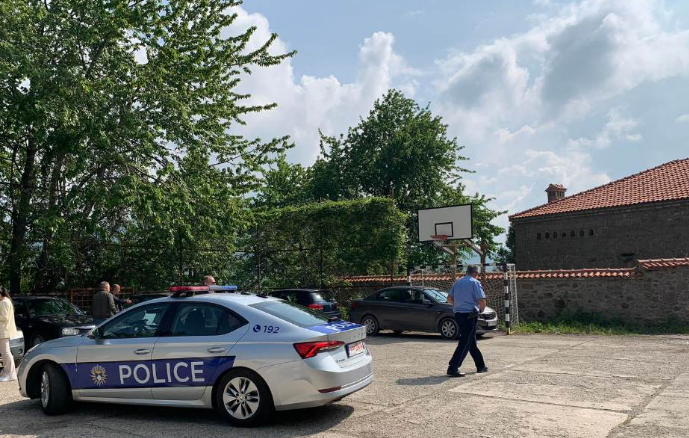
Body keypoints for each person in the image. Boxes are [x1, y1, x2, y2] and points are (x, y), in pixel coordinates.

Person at [446, 265, 489, 377]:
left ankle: (480, 365)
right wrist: (481, 310)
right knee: (465, 341)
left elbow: (449, 298)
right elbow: (481, 300)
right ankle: (453, 367)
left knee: (470, 340)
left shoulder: (457, 282)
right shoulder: (475, 282)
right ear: (476, 273)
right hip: (470, 315)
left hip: (458, 314)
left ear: (467, 272)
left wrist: (458, 305)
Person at [0, 287, 18, 382]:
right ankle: (9, 372)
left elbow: (4, 317)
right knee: (5, 352)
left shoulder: (4, 302)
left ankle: (10, 374)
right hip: (4, 330)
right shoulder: (6, 301)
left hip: (3, 331)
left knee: (6, 352)